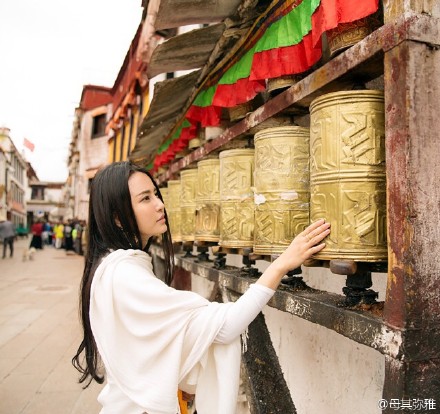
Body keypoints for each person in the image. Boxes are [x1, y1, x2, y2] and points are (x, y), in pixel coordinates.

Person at [72, 161, 331, 414]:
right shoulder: (125, 276)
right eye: (145, 199)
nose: (160, 204)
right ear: (118, 217)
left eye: (155, 194)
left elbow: (151, 350)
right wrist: (281, 264)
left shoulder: (117, 266)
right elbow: (226, 327)